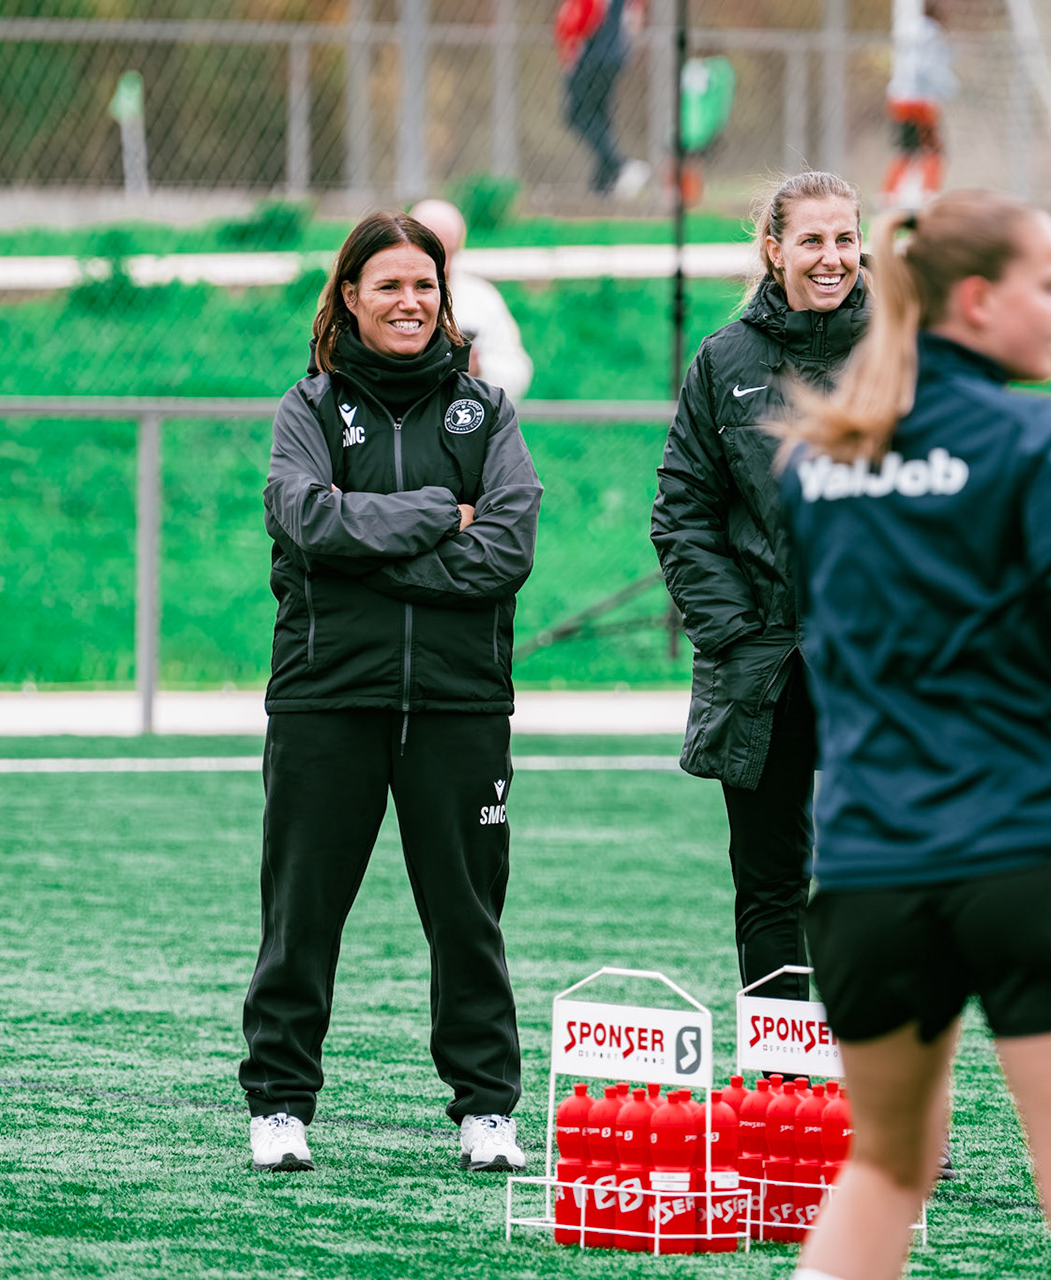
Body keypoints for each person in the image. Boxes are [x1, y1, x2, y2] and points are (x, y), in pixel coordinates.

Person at [771, 189, 1051, 1280]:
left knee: (881, 1175)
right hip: (1031, 853)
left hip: (870, 872)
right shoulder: (1035, 430)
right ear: (976, 299)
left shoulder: (818, 458)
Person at [241, 211, 543, 1177]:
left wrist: (366, 558)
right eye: (389, 287)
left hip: (460, 703)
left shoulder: (487, 413)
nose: (409, 302)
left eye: (425, 286)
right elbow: (300, 515)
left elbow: (504, 550)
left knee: (468, 915)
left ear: (442, 299)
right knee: (301, 912)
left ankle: (486, 1109)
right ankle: (282, 1105)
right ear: (351, 299)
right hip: (326, 698)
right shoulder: (309, 408)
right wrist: (426, 517)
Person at [650, 171, 870, 1006]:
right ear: (774, 249)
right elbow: (682, 513)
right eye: (812, 240)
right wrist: (738, 633)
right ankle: (790, 1101)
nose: (831, 258)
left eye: (844, 239)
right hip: (764, 667)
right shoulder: (724, 360)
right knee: (771, 889)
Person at [410, 197, 535, 400]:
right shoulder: (385, 295)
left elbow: (518, 372)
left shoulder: (481, 299)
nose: (437, 263)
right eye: (428, 250)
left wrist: (479, 368)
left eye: (446, 253)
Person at [556, 0, 652, 198]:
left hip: (592, 56)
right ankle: (603, 183)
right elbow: (634, 16)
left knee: (577, 114)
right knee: (599, 116)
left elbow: (584, 14)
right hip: (613, 54)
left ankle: (621, 165)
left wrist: (572, 43)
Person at [882, 0, 959, 209]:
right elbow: (926, 67)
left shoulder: (912, 27)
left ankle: (890, 194)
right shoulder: (930, 32)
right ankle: (929, 194)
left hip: (900, 98)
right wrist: (947, 86)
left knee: (907, 149)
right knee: (933, 151)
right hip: (919, 101)